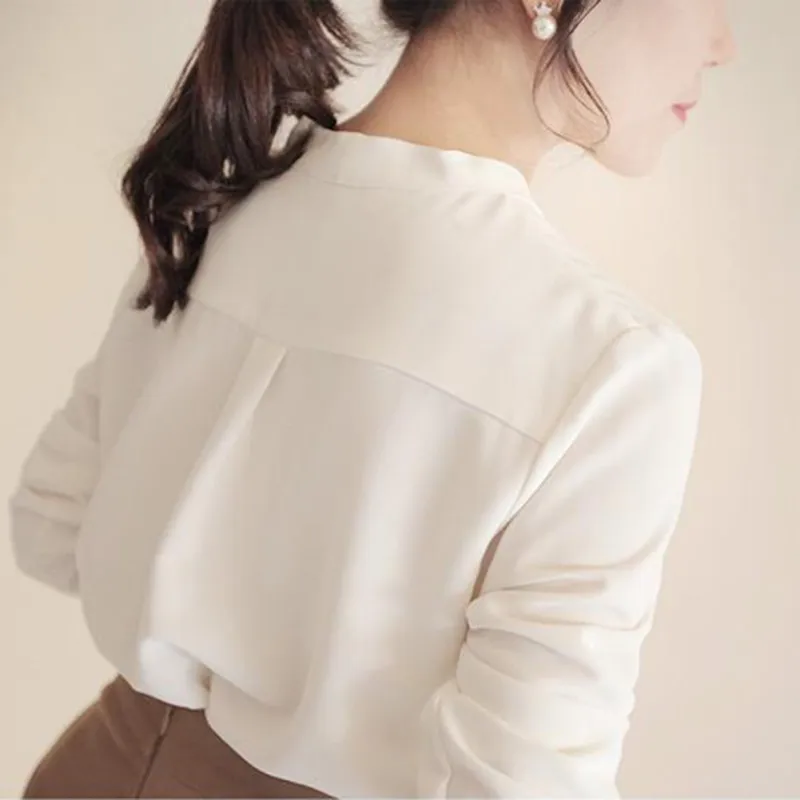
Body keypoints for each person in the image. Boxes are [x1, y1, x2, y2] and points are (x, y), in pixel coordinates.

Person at [11, 0, 735, 797]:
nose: (725, 43)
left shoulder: (217, 199)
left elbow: (50, 524)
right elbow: (527, 781)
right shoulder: (616, 363)